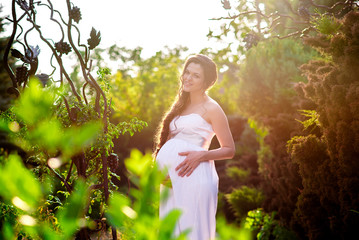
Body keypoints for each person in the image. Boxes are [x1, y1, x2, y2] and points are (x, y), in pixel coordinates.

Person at [154, 54, 235, 240]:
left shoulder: (212, 109)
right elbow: (167, 140)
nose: (188, 78)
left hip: (195, 176)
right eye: (187, 72)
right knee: (170, 231)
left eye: (195, 75)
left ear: (206, 81)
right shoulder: (181, 105)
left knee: (193, 232)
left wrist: (200, 156)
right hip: (172, 180)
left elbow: (229, 149)